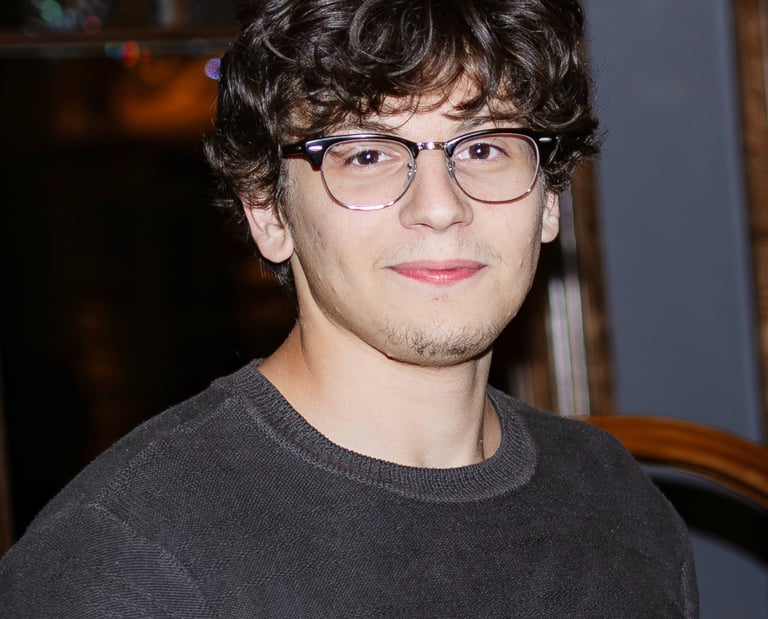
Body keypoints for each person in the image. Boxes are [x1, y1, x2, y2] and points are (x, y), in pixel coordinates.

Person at [0, 0, 699, 616]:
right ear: (267, 210)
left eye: (484, 146)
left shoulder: (622, 506)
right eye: (365, 154)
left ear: (548, 199)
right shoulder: (124, 562)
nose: (439, 207)